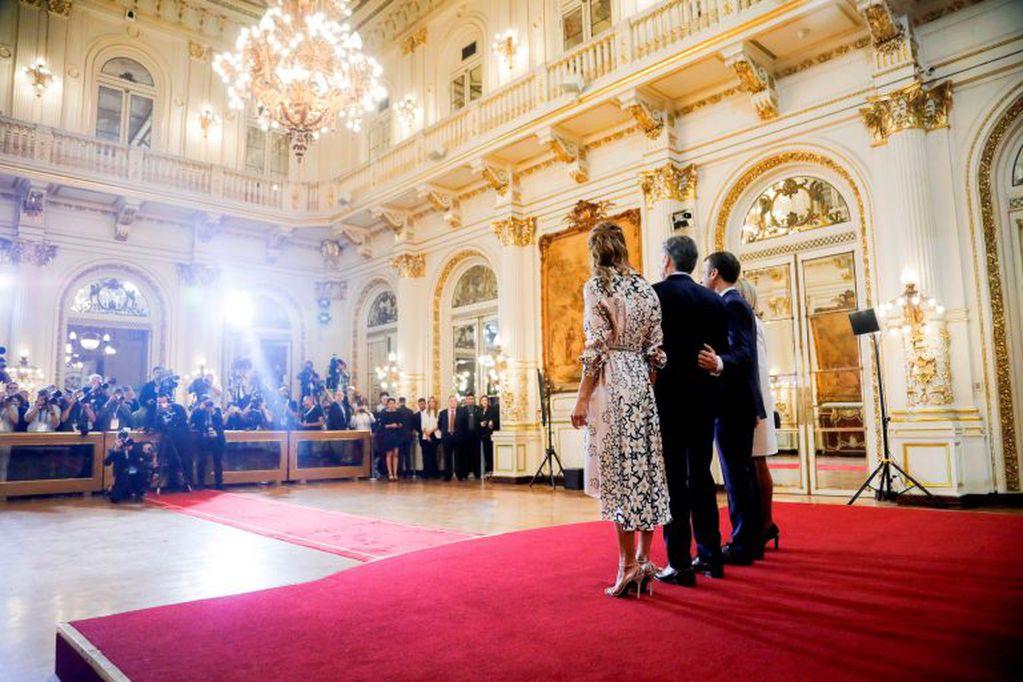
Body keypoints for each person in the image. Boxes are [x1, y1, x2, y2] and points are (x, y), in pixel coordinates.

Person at [570, 220, 671, 598]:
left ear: (596, 251)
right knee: (644, 471)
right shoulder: (646, 288)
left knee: (619, 476)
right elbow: (656, 353)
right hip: (642, 386)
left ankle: (626, 565)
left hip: (612, 382)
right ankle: (645, 559)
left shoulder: (598, 285)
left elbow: (596, 347)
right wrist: (644, 388)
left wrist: (582, 398)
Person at [651, 235, 731, 586]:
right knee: (701, 475)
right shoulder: (713, 300)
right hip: (702, 399)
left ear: (667, 261)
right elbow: (720, 352)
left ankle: (679, 563)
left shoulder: (655, 294)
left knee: (672, 481)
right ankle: (711, 557)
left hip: (667, 400)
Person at [698, 251, 767, 565]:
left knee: (736, 476)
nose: (702, 277)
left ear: (713, 273)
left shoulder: (732, 303)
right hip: (735, 402)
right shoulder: (732, 303)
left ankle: (742, 544)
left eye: (704, 271)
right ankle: (750, 541)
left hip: (733, 403)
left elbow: (744, 353)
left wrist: (719, 362)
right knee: (740, 473)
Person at [735, 278, 781, 552]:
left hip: (754, 401)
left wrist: (755, 405)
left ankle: (765, 524)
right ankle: (761, 524)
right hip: (755, 400)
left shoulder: (751, 324)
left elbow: (757, 369)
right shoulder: (752, 323)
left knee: (757, 462)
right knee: (753, 463)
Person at [155, 393, 193, 491]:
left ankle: (188, 483)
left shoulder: (178, 408)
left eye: (163, 402)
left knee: (185, 461)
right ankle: (172, 484)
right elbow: (158, 425)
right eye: (159, 402)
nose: (162, 404)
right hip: (169, 439)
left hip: (183, 439)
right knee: (172, 461)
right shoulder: (159, 412)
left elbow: (184, 421)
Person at [191, 397, 226, 490]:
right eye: (206, 403)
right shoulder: (198, 412)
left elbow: (221, 422)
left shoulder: (217, 410)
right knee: (201, 461)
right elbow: (192, 420)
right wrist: (200, 408)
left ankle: (219, 483)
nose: (208, 405)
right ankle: (200, 483)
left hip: (217, 439)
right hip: (203, 440)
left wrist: (213, 411)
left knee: (218, 462)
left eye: (209, 403)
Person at [457, 392, 482, 480]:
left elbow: (481, 421)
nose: (470, 400)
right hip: (465, 437)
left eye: (472, 399)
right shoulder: (461, 410)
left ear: (474, 400)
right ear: (466, 400)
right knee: (465, 455)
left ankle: (477, 473)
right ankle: (465, 473)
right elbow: (459, 423)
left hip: (476, 436)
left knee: (476, 455)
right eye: (469, 399)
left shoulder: (478, 409)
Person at [378, 397, 403, 481]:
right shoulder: (384, 413)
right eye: (390, 403)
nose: (392, 405)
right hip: (388, 435)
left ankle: (395, 473)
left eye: (393, 403)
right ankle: (390, 473)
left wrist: (398, 425)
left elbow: (401, 424)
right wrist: (391, 425)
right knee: (389, 454)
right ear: (387, 404)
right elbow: (382, 425)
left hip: (397, 434)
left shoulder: (398, 413)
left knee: (396, 454)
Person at [416, 396, 441, 479]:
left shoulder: (439, 412)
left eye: (433, 401)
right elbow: (423, 425)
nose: (431, 403)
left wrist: (431, 432)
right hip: (425, 435)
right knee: (426, 455)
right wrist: (427, 434)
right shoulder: (424, 413)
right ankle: (426, 473)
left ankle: (434, 473)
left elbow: (439, 424)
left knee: (434, 455)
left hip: (435, 435)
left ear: (435, 403)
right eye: (430, 402)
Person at [438, 395, 460, 481]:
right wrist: (446, 432)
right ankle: (448, 475)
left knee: (458, 457)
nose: (453, 403)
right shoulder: (442, 413)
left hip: (457, 437)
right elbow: (440, 425)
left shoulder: (460, 412)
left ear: (456, 402)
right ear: (448, 402)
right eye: (451, 401)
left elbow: (463, 425)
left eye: (454, 401)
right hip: (446, 437)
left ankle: (459, 474)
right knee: (447, 457)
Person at [479, 394, 499, 478]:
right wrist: (480, 423)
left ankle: (492, 470)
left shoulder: (492, 409)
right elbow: (477, 421)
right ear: (480, 402)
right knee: (486, 453)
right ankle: (487, 470)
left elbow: (496, 419)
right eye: (483, 400)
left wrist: (492, 421)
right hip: (483, 435)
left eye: (486, 400)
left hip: (490, 434)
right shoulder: (479, 410)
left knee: (491, 452)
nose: (484, 402)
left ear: (488, 401)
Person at [396, 397, 415, 478]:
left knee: (400, 455)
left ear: (399, 402)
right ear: (405, 402)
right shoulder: (410, 412)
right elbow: (413, 425)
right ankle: (408, 471)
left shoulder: (397, 411)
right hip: (408, 435)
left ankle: (400, 471)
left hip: (399, 435)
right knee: (408, 454)